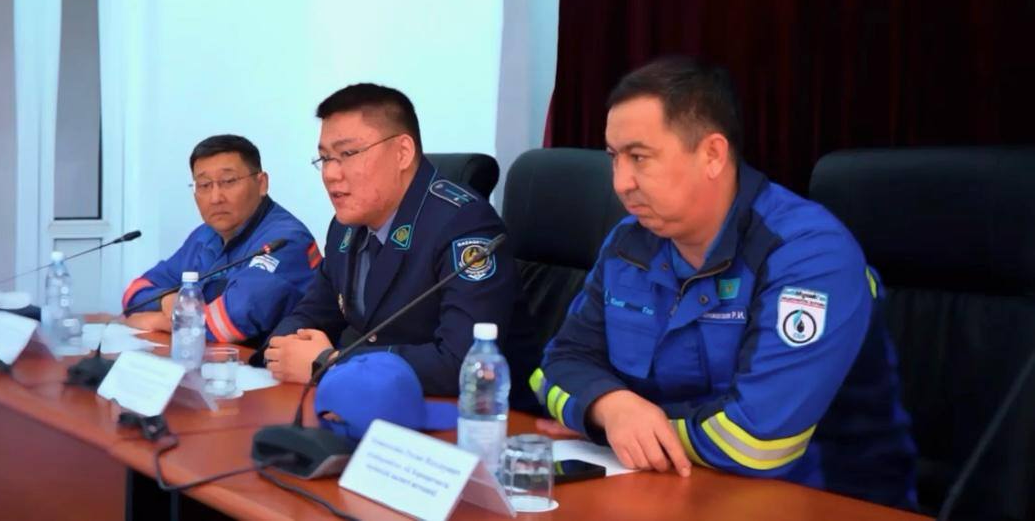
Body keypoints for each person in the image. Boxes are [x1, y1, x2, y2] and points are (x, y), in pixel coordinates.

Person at [532, 56, 916, 507]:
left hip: (820, 502)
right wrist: (611, 407)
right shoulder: (629, 244)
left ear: (712, 155)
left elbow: (756, 442)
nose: (620, 182)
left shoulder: (809, 254)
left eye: (639, 157)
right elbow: (554, 368)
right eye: (614, 158)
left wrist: (623, 427)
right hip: (662, 490)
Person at [261, 83, 521, 396]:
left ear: (402, 153)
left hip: (465, 414)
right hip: (371, 404)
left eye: (347, 154)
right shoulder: (346, 227)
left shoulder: (464, 226)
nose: (330, 174)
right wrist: (283, 347)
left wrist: (332, 364)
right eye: (325, 158)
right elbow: (311, 313)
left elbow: (463, 363)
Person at [122, 135, 320, 345]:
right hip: (211, 358)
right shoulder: (204, 236)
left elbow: (224, 325)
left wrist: (152, 320)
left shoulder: (285, 241)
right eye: (204, 185)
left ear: (262, 183)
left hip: (267, 363)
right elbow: (134, 295)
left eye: (228, 181)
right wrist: (166, 300)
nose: (215, 198)